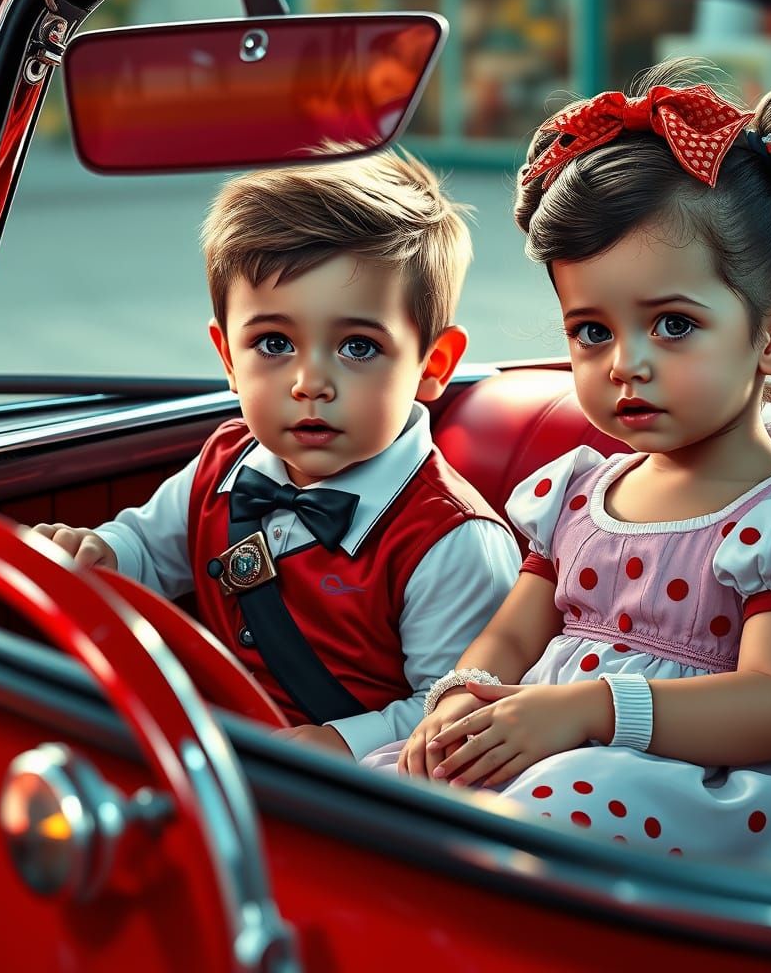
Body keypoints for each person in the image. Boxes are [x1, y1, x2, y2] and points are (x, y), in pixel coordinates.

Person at [365, 61, 771, 858]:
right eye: (591, 331)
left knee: (559, 805)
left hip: (701, 782)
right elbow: (507, 640)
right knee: (377, 791)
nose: (623, 364)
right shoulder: (573, 493)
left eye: (671, 325)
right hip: (550, 742)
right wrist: (462, 697)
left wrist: (592, 709)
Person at [33, 149, 521, 761]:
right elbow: (146, 550)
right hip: (218, 756)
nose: (309, 382)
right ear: (227, 359)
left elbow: (457, 708)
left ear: (432, 364)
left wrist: (339, 742)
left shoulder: (452, 542)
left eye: (358, 347)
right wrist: (99, 552)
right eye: (273, 343)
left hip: (360, 787)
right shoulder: (222, 466)